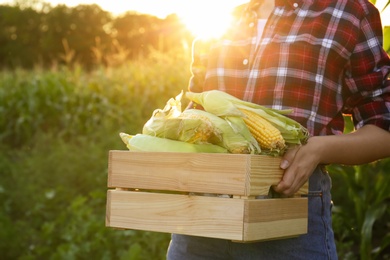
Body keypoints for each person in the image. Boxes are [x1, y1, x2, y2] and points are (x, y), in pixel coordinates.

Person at [166, 0, 390, 259]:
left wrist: (319, 148)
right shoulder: (220, 20)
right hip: (200, 222)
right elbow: (196, 118)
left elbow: (384, 129)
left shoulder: (348, 13)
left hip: (288, 218)